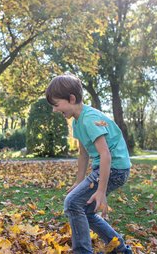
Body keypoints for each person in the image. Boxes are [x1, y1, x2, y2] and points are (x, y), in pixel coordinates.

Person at [45, 74, 132, 253]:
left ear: (71, 99)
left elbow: (105, 154)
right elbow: (83, 154)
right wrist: (79, 181)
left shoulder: (89, 119)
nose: (54, 110)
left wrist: (101, 191)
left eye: (56, 104)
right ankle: (121, 249)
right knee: (85, 210)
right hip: (111, 167)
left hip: (114, 167)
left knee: (72, 203)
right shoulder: (78, 121)